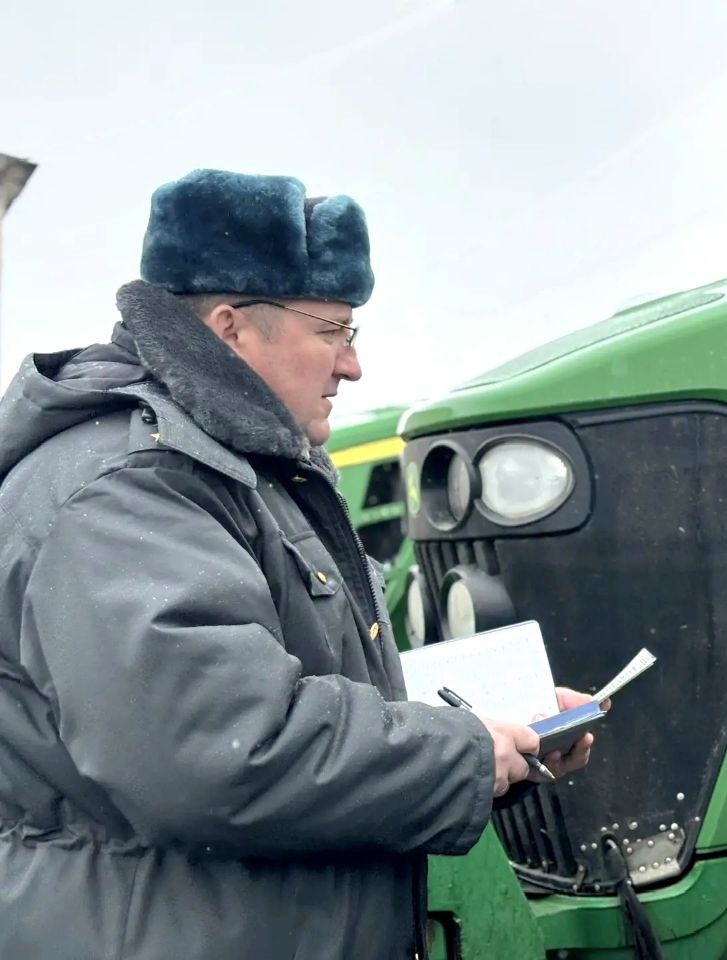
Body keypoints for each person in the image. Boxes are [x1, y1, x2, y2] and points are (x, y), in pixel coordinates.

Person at [0, 169, 596, 959]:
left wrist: (499, 728)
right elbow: (217, 751)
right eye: (333, 332)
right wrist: (458, 752)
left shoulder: (231, 473)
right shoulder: (129, 491)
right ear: (229, 328)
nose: (352, 367)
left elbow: (291, 686)